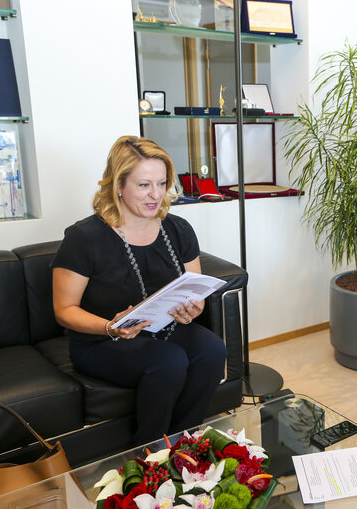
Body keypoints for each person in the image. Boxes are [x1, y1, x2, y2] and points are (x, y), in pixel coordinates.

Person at [52, 135, 227, 446]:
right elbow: (64, 310)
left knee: (213, 349)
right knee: (168, 361)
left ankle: (184, 441)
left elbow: (193, 287)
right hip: (100, 341)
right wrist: (111, 327)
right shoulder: (84, 238)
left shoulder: (178, 229)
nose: (156, 195)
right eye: (144, 185)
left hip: (163, 329)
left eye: (162, 184)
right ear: (119, 185)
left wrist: (192, 309)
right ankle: (150, 452)